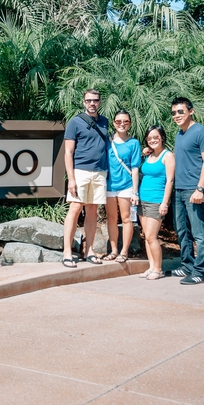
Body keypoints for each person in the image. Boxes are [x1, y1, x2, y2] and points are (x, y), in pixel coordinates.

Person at [170, 97, 204, 285]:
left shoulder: (201, 132)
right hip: (179, 189)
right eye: (173, 113)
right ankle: (187, 265)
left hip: (194, 190)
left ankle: (200, 271)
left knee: (199, 232)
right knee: (182, 230)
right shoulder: (180, 134)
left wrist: (200, 189)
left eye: (180, 112)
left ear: (191, 111)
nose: (176, 116)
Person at [62, 89, 109, 267]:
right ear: (83, 102)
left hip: (99, 172)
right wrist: (71, 178)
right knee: (75, 208)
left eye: (95, 100)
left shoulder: (104, 122)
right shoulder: (75, 122)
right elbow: (68, 152)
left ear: (99, 102)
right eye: (88, 100)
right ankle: (67, 252)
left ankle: (89, 250)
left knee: (92, 209)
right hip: (80, 171)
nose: (92, 103)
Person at [103, 110, 141, 263]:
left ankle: (124, 252)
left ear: (130, 123)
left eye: (125, 121)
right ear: (114, 123)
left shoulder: (134, 143)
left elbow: (135, 168)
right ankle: (113, 251)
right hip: (109, 185)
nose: (122, 124)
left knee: (126, 219)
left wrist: (135, 191)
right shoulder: (107, 141)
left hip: (126, 186)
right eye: (118, 121)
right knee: (111, 219)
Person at [137, 125, 174, 280]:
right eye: (150, 137)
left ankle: (158, 269)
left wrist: (164, 203)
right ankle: (151, 266)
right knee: (146, 236)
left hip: (156, 201)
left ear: (162, 138)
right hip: (142, 199)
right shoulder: (149, 155)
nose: (152, 140)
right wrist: (143, 153)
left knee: (152, 236)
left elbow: (170, 180)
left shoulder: (168, 156)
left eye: (156, 137)